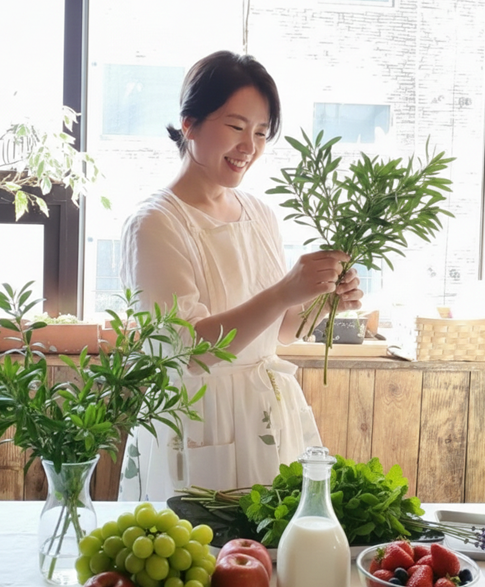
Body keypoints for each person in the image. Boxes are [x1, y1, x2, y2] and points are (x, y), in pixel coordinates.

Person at [118, 50, 363, 501]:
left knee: (273, 540)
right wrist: (285, 291)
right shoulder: (155, 223)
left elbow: (281, 331)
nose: (249, 146)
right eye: (235, 126)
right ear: (189, 124)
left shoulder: (259, 214)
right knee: (196, 543)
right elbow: (188, 351)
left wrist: (323, 300)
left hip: (268, 414)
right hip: (197, 419)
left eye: (261, 132)